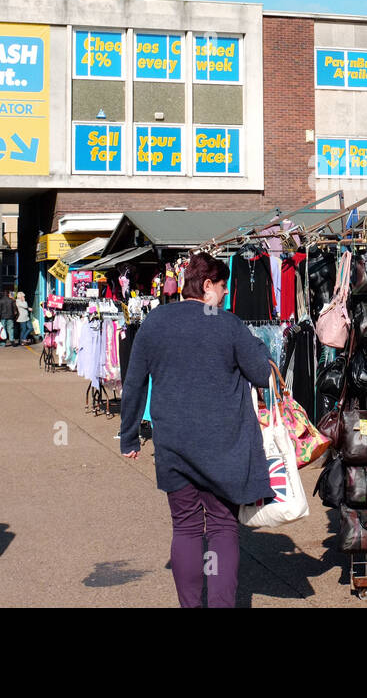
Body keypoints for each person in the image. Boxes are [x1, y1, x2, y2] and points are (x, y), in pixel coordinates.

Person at [119, 251, 273, 608]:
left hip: (174, 445)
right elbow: (262, 374)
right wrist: (258, 345)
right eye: (223, 288)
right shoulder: (228, 324)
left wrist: (129, 436)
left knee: (186, 527)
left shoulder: (155, 322)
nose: (224, 296)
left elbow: (133, 385)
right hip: (224, 448)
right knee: (222, 527)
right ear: (207, 286)